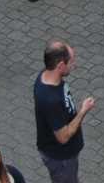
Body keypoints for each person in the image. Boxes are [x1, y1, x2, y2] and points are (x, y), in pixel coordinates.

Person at [34, 40, 94, 182]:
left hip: (62, 155)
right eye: (71, 62)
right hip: (61, 158)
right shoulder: (50, 100)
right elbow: (63, 137)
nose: (74, 65)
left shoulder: (45, 74)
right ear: (60, 66)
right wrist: (83, 111)